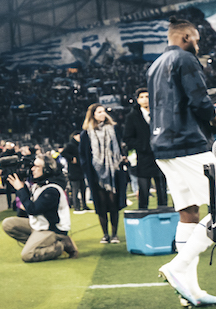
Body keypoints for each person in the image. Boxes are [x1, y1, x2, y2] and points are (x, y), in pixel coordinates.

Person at [147, 18, 216, 307]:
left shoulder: (155, 65)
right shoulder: (185, 59)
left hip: (162, 146)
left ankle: (190, 290)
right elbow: (199, 101)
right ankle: (177, 266)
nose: (198, 43)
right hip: (187, 143)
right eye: (196, 38)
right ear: (186, 37)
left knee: (189, 213)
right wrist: (215, 117)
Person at [1, 155, 77, 262]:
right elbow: (25, 209)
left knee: (27, 255)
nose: (32, 169)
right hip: (39, 226)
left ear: (47, 169)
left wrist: (21, 189)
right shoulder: (39, 186)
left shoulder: (52, 189)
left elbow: (33, 210)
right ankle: (39, 243)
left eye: (36, 166)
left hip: (52, 230)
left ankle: (61, 245)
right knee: (8, 224)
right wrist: (21, 186)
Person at [79, 104, 128, 243]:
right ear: (93, 115)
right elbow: (83, 155)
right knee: (101, 205)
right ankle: (105, 234)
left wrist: (120, 160)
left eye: (104, 111)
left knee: (113, 203)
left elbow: (120, 147)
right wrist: (89, 171)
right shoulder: (86, 133)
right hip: (96, 174)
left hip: (114, 172)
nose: (103, 114)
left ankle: (114, 234)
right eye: (99, 112)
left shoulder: (113, 128)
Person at [122, 88, 168, 210]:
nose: (145, 99)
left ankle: (164, 212)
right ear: (137, 100)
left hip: (160, 155)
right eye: (141, 97)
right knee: (143, 189)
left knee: (162, 189)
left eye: (147, 96)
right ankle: (143, 212)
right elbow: (127, 138)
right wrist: (144, 146)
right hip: (143, 158)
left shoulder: (159, 113)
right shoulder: (132, 117)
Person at [60, 132, 86, 213]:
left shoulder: (79, 144)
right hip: (74, 171)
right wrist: (71, 158)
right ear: (74, 136)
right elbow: (63, 153)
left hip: (80, 170)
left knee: (83, 188)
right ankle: (76, 206)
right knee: (75, 189)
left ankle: (84, 205)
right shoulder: (71, 145)